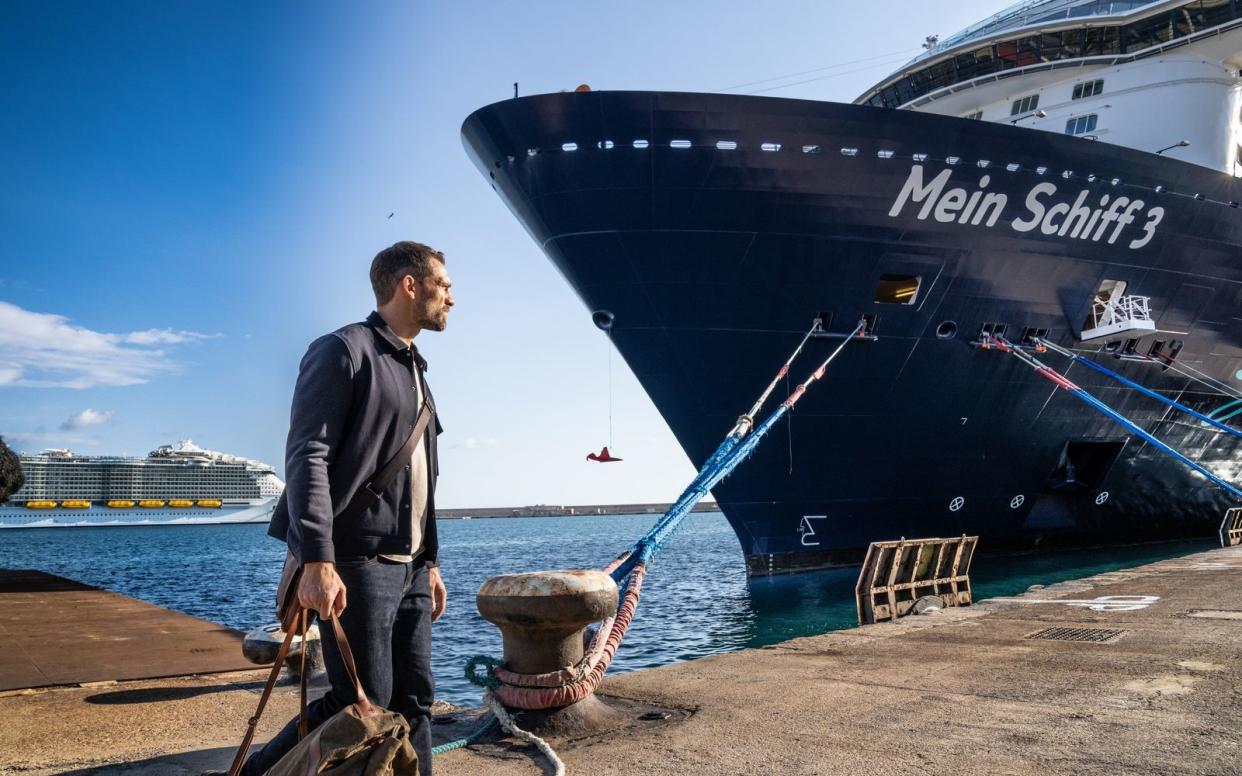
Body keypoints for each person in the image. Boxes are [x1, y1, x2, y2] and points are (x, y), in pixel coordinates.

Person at [241, 241, 454, 775]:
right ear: (411, 285)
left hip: (408, 571)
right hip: (354, 563)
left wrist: (429, 562)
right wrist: (317, 559)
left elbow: (420, 477)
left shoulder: (414, 368)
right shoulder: (342, 350)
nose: (452, 296)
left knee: (416, 702)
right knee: (359, 700)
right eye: (443, 285)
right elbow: (307, 454)